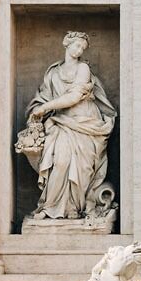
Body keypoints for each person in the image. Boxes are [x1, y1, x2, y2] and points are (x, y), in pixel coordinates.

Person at [25, 31, 116, 220]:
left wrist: (45, 108)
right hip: (61, 123)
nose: (79, 50)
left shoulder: (83, 68)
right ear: (67, 43)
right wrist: (44, 114)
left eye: (83, 48)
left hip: (86, 125)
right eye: (77, 45)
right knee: (60, 160)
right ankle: (51, 207)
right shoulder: (53, 73)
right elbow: (43, 97)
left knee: (81, 167)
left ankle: (74, 207)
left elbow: (74, 97)